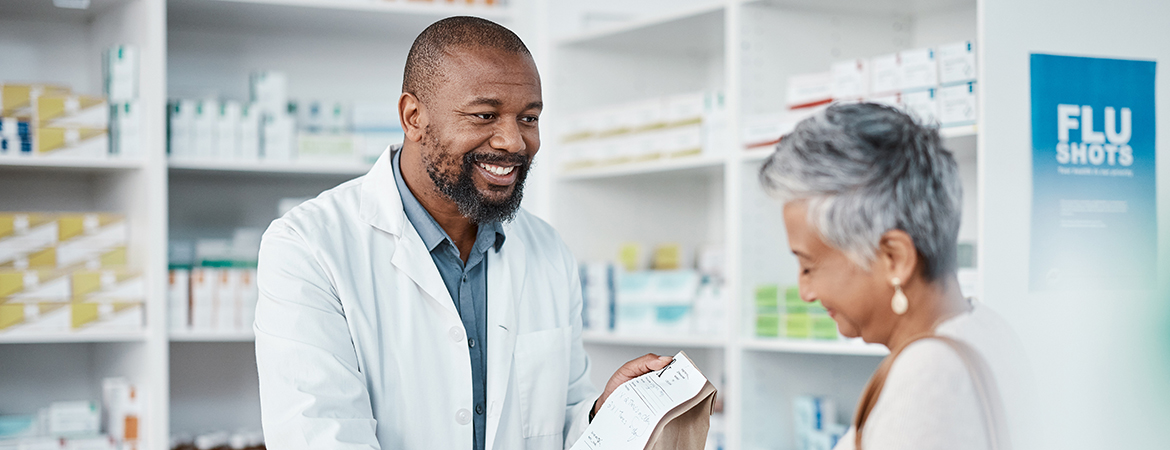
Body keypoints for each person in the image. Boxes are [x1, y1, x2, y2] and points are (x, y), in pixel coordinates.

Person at [254, 16, 671, 450]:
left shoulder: (547, 250)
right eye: (485, 115)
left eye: (528, 118)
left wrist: (605, 414)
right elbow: (321, 435)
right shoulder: (308, 247)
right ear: (413, 117)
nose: (513, 141)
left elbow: (558, 425)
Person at [759, 103, 1029, 450]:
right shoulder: (986, 327)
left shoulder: (929, 378)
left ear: (893, 258)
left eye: (809, 266)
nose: (804, 291)